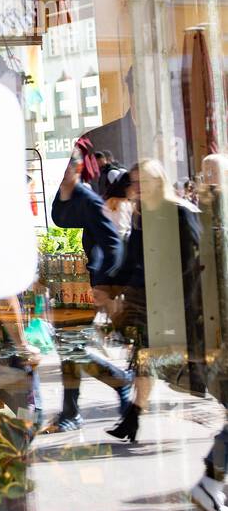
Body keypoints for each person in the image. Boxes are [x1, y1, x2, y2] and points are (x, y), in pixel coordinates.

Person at [112, 160, 202, 446]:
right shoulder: (141, 215)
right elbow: (132, 259)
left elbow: (193, 262)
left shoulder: (179, 211)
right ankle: (133, 417)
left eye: (143, 183)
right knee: (143, 358)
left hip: (182, 303)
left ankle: (134, 416)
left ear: (158, 182)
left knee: (199, 366)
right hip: (151, 301)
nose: (137, 189)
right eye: (134, 183)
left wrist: (179, 303)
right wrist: (114, 287)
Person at [42, 144, 130, 434]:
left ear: (77, 169)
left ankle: (115, 382)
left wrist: (104, 286)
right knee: (68, 350)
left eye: (66, 167)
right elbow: (56, 238)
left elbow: (113, 243)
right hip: (63, 282)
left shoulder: (88, 199)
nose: (61, 173)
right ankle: (72, 410)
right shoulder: (58, 200)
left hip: (85, 284)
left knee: (72, 348)